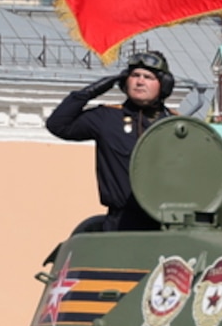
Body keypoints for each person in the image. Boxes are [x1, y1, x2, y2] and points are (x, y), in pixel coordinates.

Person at [45, 50, 177, 232]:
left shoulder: (175, 125)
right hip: (120, 222)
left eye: (148, 77)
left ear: (164, 85)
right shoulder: (107, 118)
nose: (140, 82)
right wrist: (91, 92)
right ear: (125, 81)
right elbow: (58, 125)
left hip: (165, 224)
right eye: (134, 75)